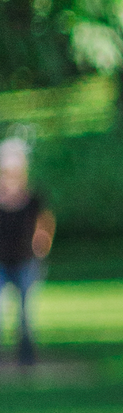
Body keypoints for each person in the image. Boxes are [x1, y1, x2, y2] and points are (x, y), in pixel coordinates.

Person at [0, 138, 55, 368]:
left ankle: (26, 359)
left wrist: (43, 241)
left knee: (25, 314)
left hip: (25, 262)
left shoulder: (33, 198)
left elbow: (45, 222)